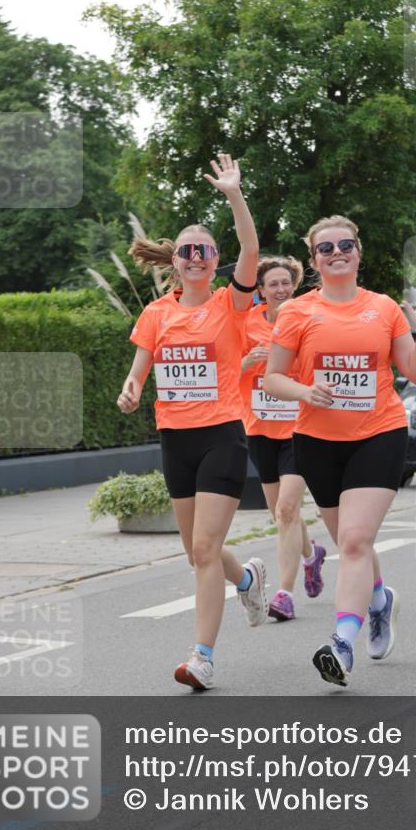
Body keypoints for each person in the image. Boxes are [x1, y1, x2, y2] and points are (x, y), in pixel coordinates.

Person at [263, 215, 416, 687]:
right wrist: (305, 392)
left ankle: (342, 644)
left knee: (355, 541)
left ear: (358, 252)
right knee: (349, 539)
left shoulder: (383, 308)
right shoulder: (297, 312)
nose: (337, 252)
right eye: (326, 248)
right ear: (314, 260)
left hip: (378, 434)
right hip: (318, 442)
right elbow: (272, 379)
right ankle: (380, 601)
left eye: (346, 244)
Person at [117, 154, 267, 692]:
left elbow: (252, 249)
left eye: (204, 251)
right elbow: (140, 369)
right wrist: (131, 389)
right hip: (174, 440)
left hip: (222, 436)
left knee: (204, 550)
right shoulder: (157, 312)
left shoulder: (232, 304)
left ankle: (202, 656)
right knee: (196, 552)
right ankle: (248, 580)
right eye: (187, 252)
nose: (196, 258)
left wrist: (234, 194)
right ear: (175, 262)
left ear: (215, 260)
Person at [239, 257, 326, 621]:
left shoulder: (307, 318)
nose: (280, 290)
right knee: (281, 514)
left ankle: (284, 595)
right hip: (259, 428)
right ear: (260, 290)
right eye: (272, 284)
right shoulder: (245, 322)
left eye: (286, 283)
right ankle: (311, 555)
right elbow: (226, 369)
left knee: (288, 509)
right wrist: (247, 361)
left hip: (298, 428)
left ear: (294, 285)